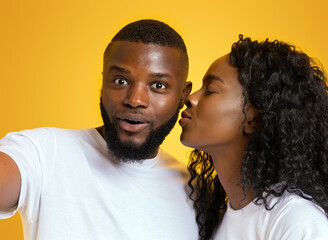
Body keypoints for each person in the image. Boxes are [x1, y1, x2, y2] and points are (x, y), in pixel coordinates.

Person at [0, 19, 197, 240]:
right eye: (121, 81)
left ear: (183, 94)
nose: (135, 100)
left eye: (158, 86)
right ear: (103, 83)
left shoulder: (195, 193)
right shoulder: (46, 152)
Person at [179, 35, 328, 240]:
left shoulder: (296, 222)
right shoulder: (217, 218)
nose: (191, 98)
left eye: (210, 90)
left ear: (254, 120)